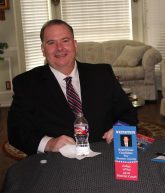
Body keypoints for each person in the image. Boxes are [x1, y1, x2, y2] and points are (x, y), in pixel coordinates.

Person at [7, 19, 137, 156]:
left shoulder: (102, 74)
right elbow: (16, 131)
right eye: (51, 42)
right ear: (43, 50)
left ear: (75, 45)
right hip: (56, 161)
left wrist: (119, 129)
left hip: (104, 153)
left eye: (65, 40)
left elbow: (128, 113)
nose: (59, 48)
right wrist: (49, 144)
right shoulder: (26, 83)